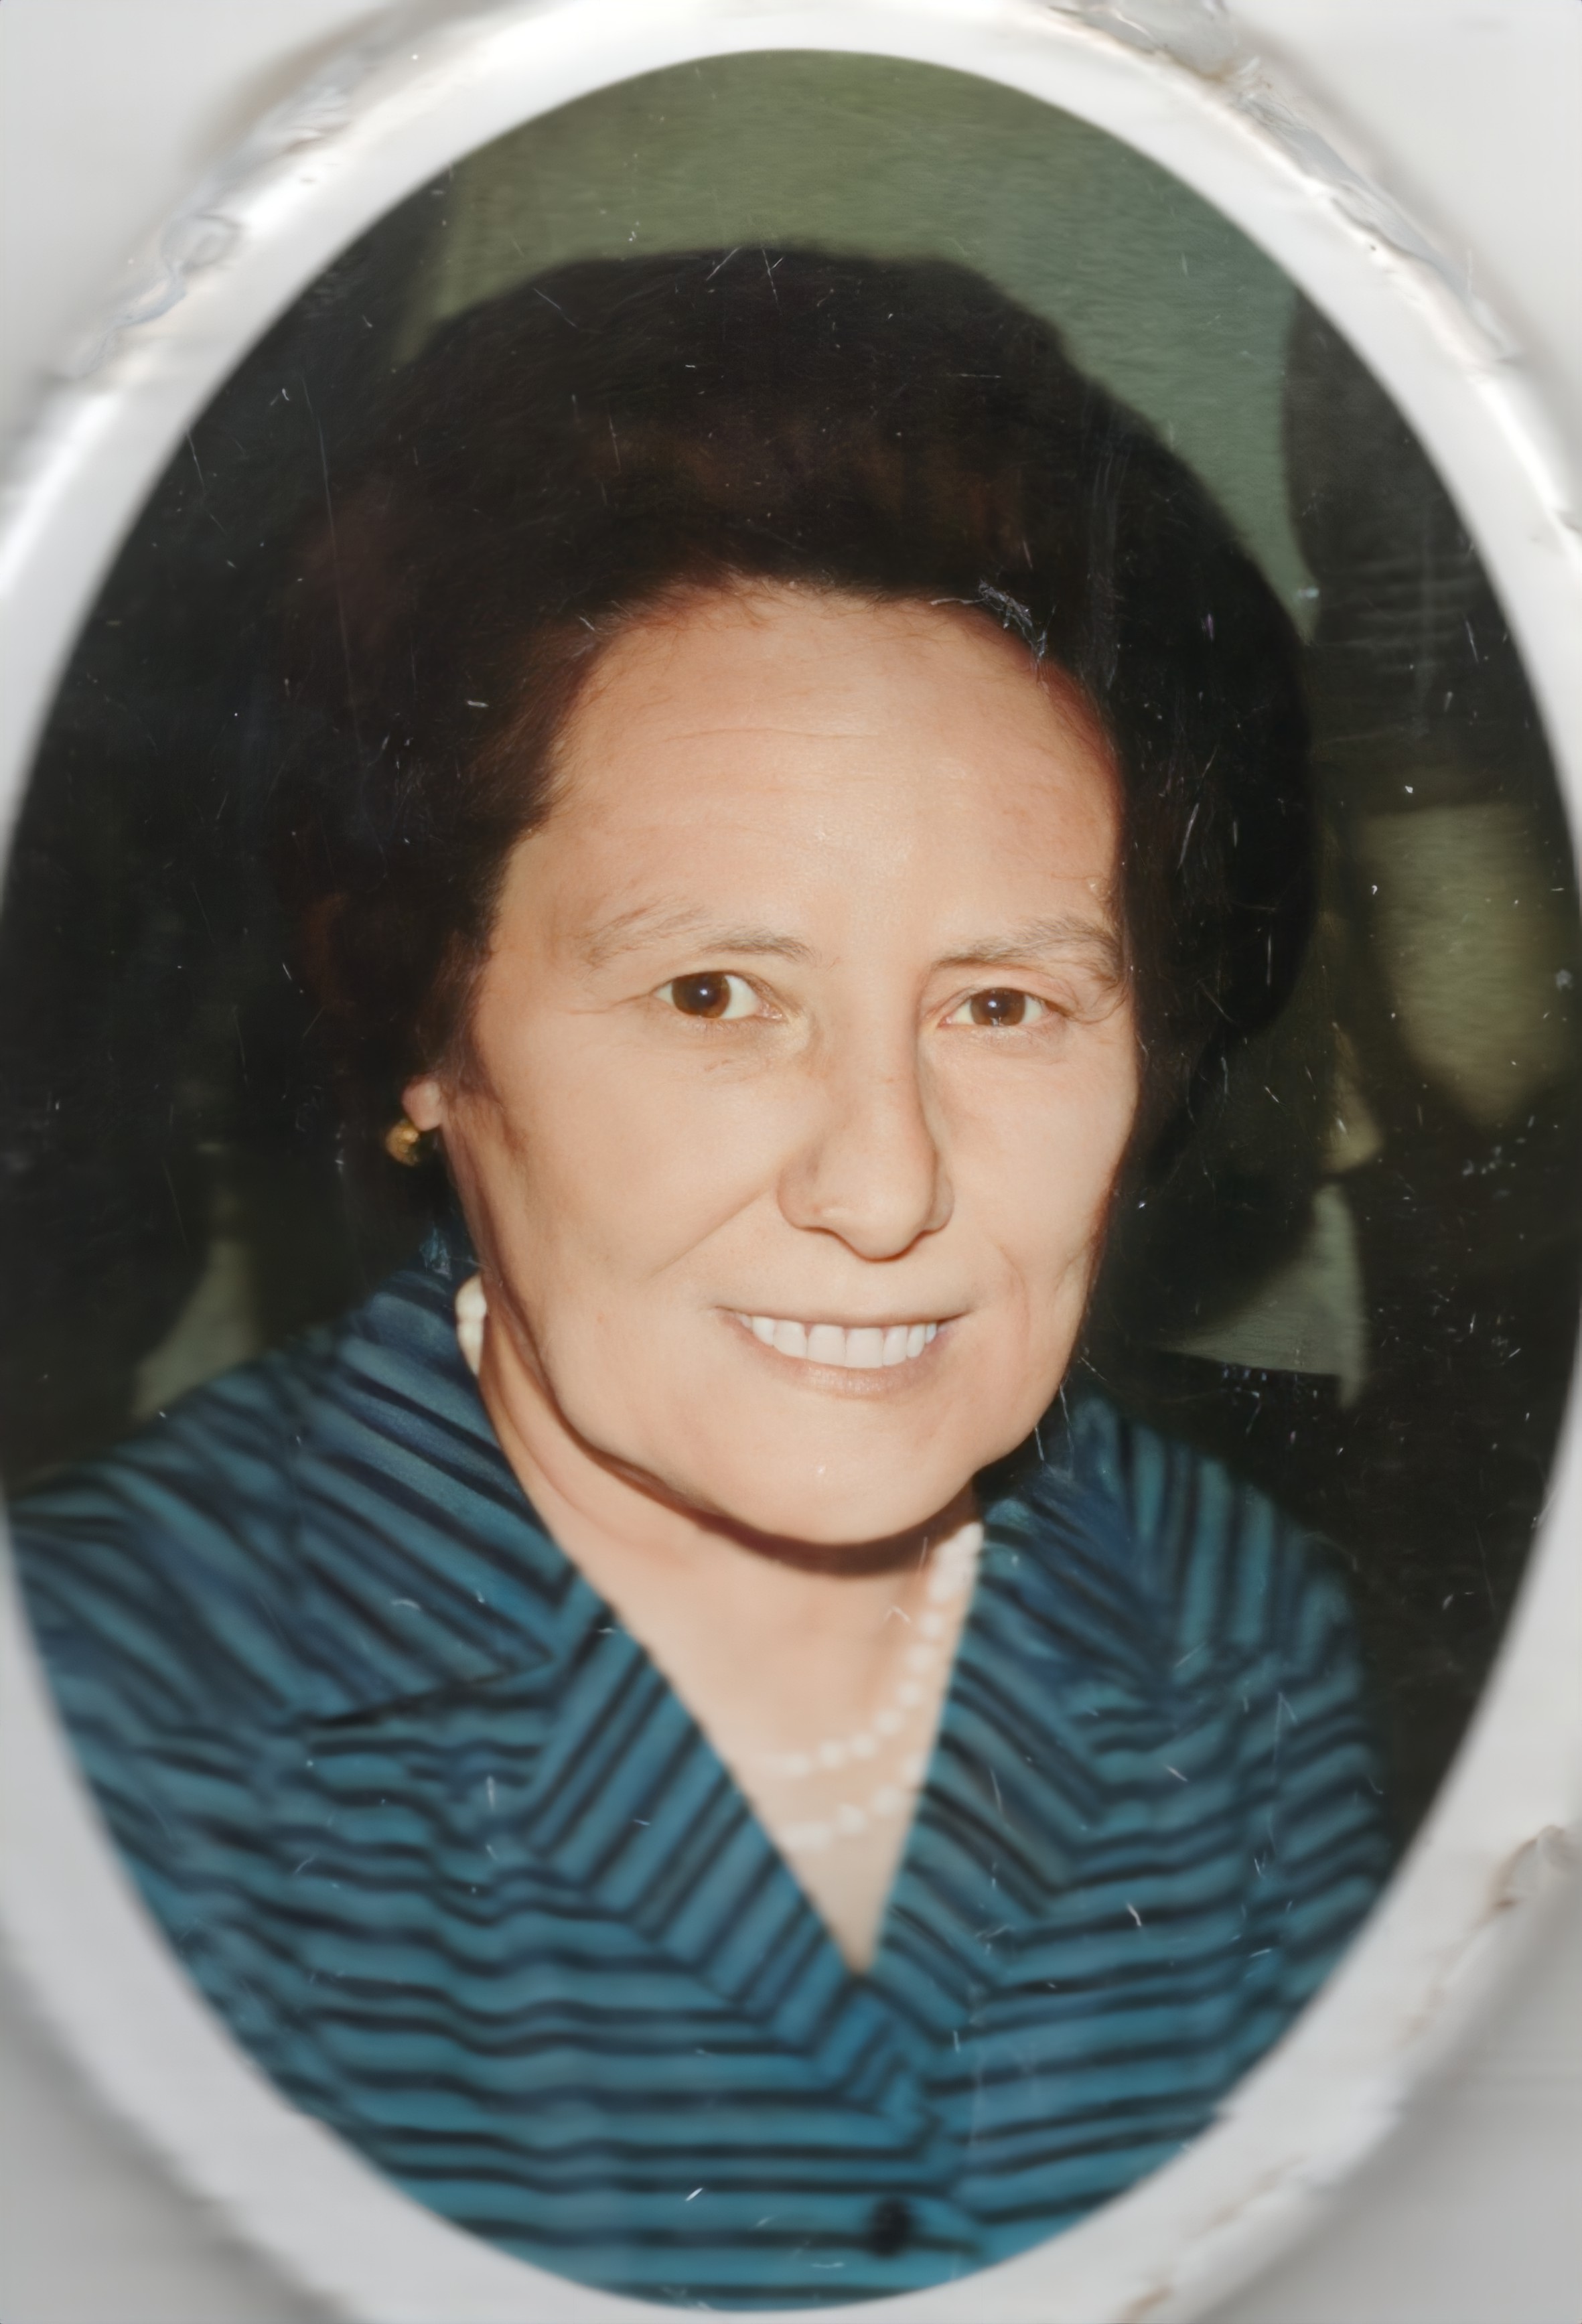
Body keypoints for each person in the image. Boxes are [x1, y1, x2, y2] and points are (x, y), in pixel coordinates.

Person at [10, 250, 1389, 2308]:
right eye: (716, 993)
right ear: (428, 1030)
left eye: (1003, 1005)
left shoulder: (1232, 1629)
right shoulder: (94, 1723)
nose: (884, 1185)